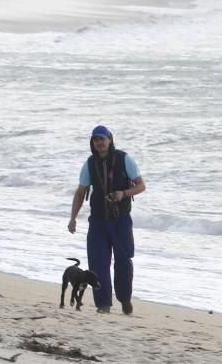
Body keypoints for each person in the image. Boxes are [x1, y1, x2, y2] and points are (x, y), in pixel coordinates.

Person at [68, 125, 146, 315]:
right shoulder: (89, 163)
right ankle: (103, 305)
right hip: (98, 222)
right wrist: (73, 218)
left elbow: (141, 185)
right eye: (96, 140)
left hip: (120, 220)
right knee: (97, 264)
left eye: (103, 139)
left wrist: (123, 193)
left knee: (123, 262)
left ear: (110, 140)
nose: (100, 143)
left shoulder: (124, 159)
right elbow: (81, 192)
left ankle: (125, 299)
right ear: (92, 143)